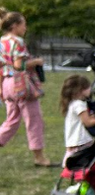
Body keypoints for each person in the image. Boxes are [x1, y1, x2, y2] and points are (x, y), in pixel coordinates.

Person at [0, 11, 55, 166]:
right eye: (23, 24)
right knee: (34, 120)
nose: (25, 27)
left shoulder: (1, 41)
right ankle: (39, 157)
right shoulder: (18, 42)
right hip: (21, 85)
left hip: (7, 84)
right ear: (14, 26)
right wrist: (36, 61)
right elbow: (19, 65)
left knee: (11, 120)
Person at [59, 74, 95, 169]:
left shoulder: (72, 103)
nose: (90, 89)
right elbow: (88, 123)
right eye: (87, 87)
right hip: (81, 142)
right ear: (80, 90)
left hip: (73, 143)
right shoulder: (80, 105)